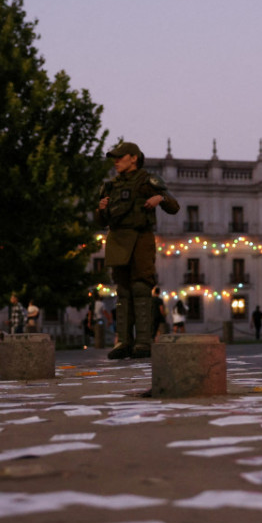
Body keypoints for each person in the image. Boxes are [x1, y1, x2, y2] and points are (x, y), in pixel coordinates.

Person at [98, 141, 180, 360]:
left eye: (120, 156)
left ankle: (143, 342)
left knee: (141, 287)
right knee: (122, 291)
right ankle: (124, 341)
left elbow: (174, 206)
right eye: (114, 157)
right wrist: (101, 209)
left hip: (141, 237)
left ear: (133, 158)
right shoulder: (110, 186)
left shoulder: (148, 181)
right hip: (117, 240)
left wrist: (160, 198)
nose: (116, 161)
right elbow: (99, 219)